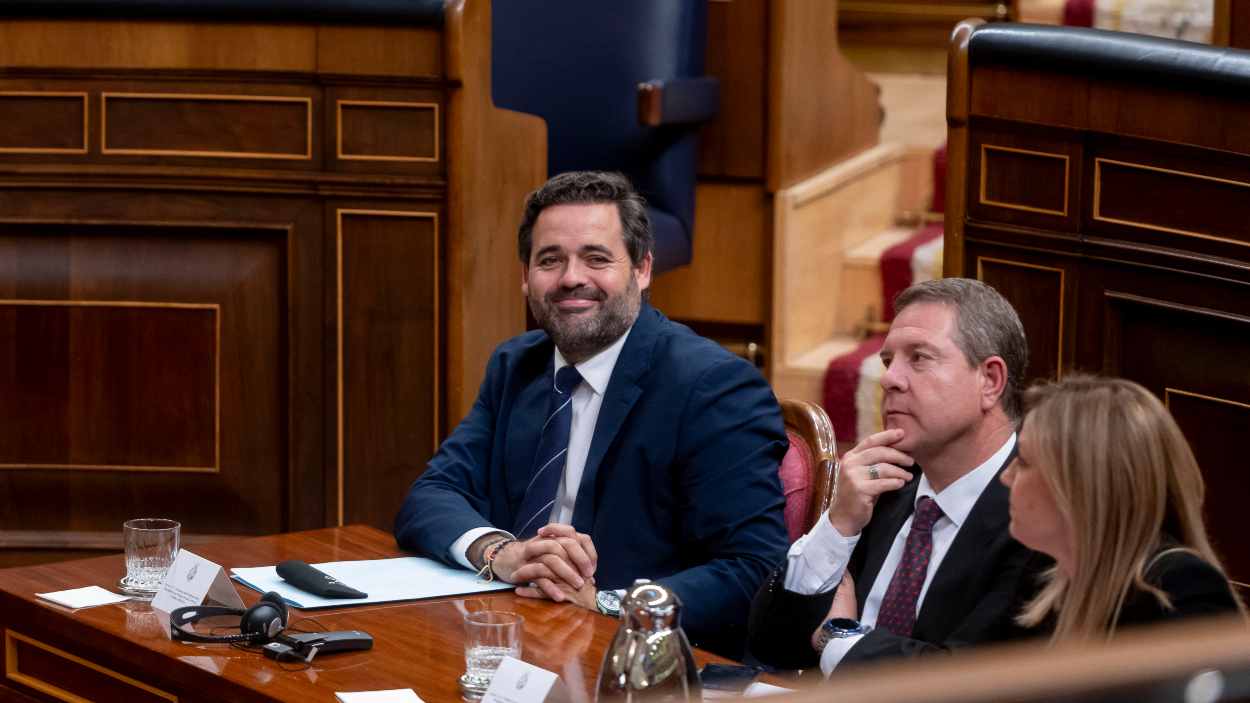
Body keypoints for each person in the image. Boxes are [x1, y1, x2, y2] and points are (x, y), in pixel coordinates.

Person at [394, 171, 789, 657]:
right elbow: (431, 496)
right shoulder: (516, 365)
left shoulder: (712, 386)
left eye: (596, 258)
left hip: (639, 661)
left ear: (642, 269)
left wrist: (607, 604)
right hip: (508, 641)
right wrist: (503, 554)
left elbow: (755, 567)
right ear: (525, 277)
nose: (571, 278)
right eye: (550, 260)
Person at [748, 278, 1043, 674]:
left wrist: (838, 636)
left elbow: (967, 681)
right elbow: (770, 644)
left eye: (918, 358)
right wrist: (837, 525)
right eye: (888, 361)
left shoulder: (1038, 514)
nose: (889, 379)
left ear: (989, 381)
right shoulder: (884, 482)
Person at [1001, 375, 1244, 640]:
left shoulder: (1183, 590)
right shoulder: (1043, 588)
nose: (1006, 476)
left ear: (1082, 484)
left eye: (1023, 461)